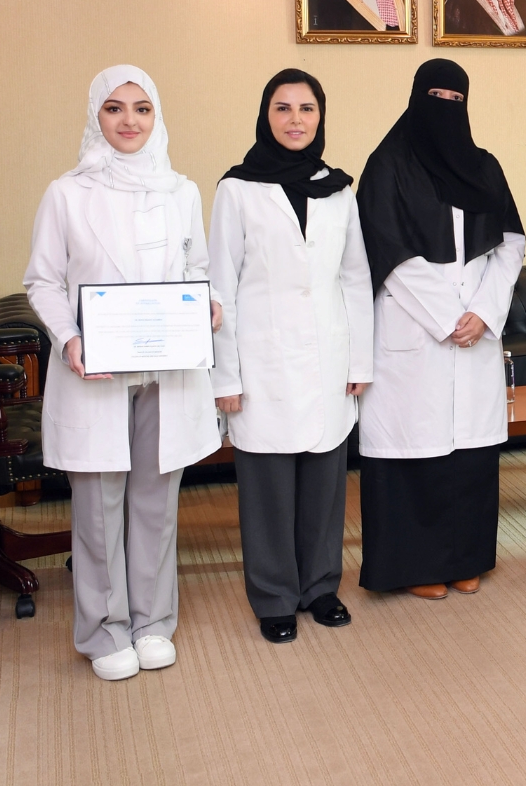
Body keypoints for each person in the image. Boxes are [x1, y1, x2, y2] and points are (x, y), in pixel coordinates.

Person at [23, 66, 223, 680]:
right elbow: (43, 281)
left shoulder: (181, 191)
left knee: (157, 502)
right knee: (98, 508)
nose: (129, 120)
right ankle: (104, 632)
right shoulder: (66, 193)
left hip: (166, 370)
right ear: (96, 116)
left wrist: (208, 304)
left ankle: (152, 622)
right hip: (97, 374)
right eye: (114, 108)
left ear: (156, 116)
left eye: (141, 108)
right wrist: (69, 337)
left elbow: (196, 269)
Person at [209, 69, 371, 644]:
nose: (295, 120)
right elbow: (220, 289)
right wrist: (225, 376)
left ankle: (321, 587)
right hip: (262, 358)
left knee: (326, 482)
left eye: (307, 109)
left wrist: (360, 362)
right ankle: (274, 595)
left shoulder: (339, 189)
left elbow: (355, 278)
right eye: (283, 108)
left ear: (320, 117)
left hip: (329, 355)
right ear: (266, 115)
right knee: (269, 489)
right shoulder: (236, 189)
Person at [356, 60, 526, 600]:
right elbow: (387, 248)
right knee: (415, 452)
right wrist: (448, 317)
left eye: (457, 99)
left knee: (470, 456)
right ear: (415, 97)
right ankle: (415, 566)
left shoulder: (485, 166)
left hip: (476, 328)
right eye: (437, 97)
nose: (446, 109)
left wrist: (485, 311)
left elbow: (511, 242)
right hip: (415, 328)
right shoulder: (387, 166)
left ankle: (464, 558)